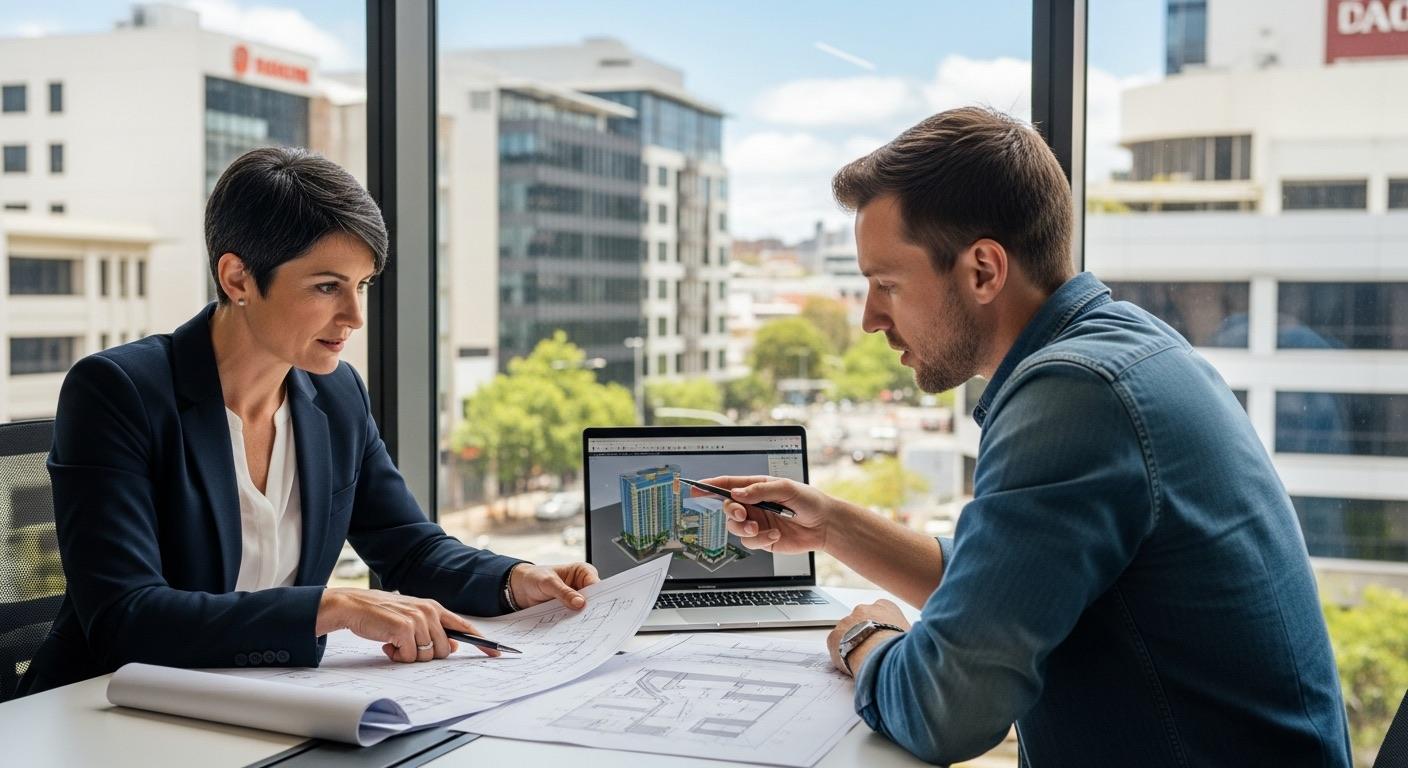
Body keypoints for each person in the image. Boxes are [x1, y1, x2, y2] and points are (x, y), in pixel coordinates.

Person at [705, 107, 1351, 766]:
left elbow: (944, 712)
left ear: (983, 270)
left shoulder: (1074, 397)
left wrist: (867, 639)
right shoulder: (1124, 344)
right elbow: (1009, 581)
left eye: (886, 286)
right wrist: (833, 526)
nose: (870, 318)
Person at [18, 147, 598, 696]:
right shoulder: (118, 392)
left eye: (362, 285)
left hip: (265, 703)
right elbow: (126, 617)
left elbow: (409, 550)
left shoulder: (335, 393)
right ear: (237, 278)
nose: (354, 316)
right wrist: (332, 608)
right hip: (109, 710)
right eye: (327, 286)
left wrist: (515, 579)